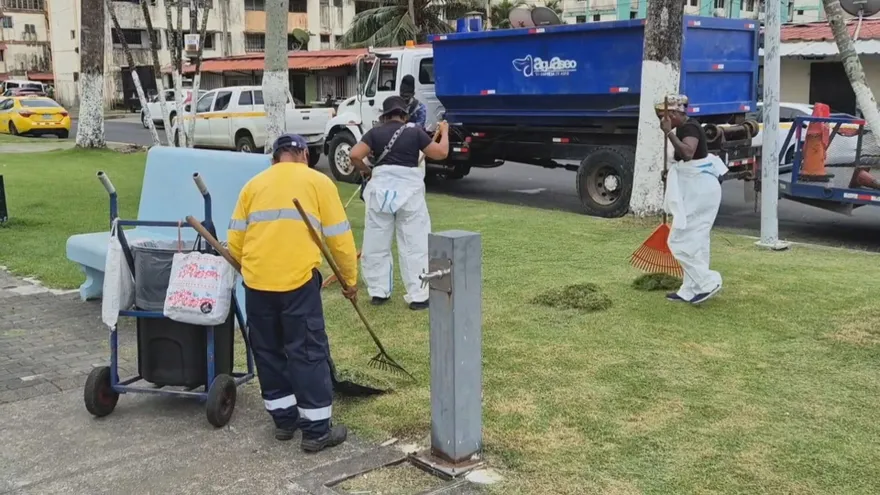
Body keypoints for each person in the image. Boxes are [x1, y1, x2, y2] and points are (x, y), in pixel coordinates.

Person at [227, 134, 359, 452]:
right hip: (298, 283)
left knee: (268, 350)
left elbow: (235, 241)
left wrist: (251, 268)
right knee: (307, 351)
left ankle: (284, 421)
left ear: (275, 158)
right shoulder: (318, 182)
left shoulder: (253, 186)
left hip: (256, 283)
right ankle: (316, 431)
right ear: (304, 156)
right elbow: (339, 239)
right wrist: (349, 280)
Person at [349, 96, 449, 310]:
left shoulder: (375, 133)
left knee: (376, 244)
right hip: (409, 193)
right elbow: (441, 153)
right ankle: (419, 295)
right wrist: (445, 132)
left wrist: (367, 171)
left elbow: (355, 154)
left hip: (380, 192)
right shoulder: (414, 132)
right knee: (415, 245)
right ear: (404, 115)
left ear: (384, 116)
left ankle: (378, 292)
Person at [658, 94, 727, 305]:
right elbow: (686, 161)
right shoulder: (685, 127)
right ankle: (689, 289)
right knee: (697, 242)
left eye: (665, 115)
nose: (662, 119)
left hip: (702, 191)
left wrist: (668, 132)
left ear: (676, 114)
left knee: (678, 241)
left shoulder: (690, 128)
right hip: (700, 189)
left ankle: (707, 282)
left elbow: (688, 153)